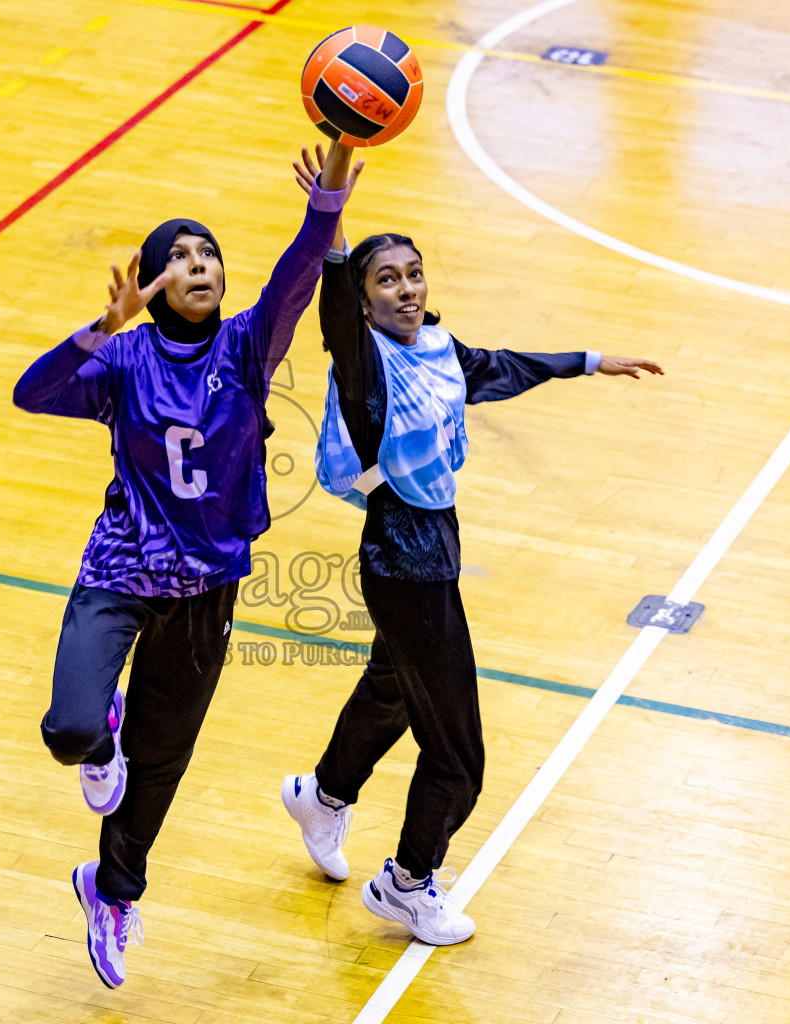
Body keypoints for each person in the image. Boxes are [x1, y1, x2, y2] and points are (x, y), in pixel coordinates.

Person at [280, 146, 663, 946]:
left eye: (414, 273)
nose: (406, 289)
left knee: (391, 689)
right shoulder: (363, 363)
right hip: (403, 563)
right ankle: (407, 883)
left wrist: (593, 362)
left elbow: (507, 366)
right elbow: (334, 288)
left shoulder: (440, 351)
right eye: (387, 280)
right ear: (364, 297)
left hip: (430, 556)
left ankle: (323, 794)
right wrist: (335, 195)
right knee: (458, 755)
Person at [12, 141, 362, 988]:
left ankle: (112, 891)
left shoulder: (247, 347)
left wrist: (335, 176)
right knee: (70, 732)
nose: (199, 265)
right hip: (122, 570)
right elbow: (33, 391)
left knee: (163, 762)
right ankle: (104, 739)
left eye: (209, 254)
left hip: (209, 585)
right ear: (155, 281)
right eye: (180, 256)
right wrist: (105, 327)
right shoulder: (125, 360)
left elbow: (298, 273)